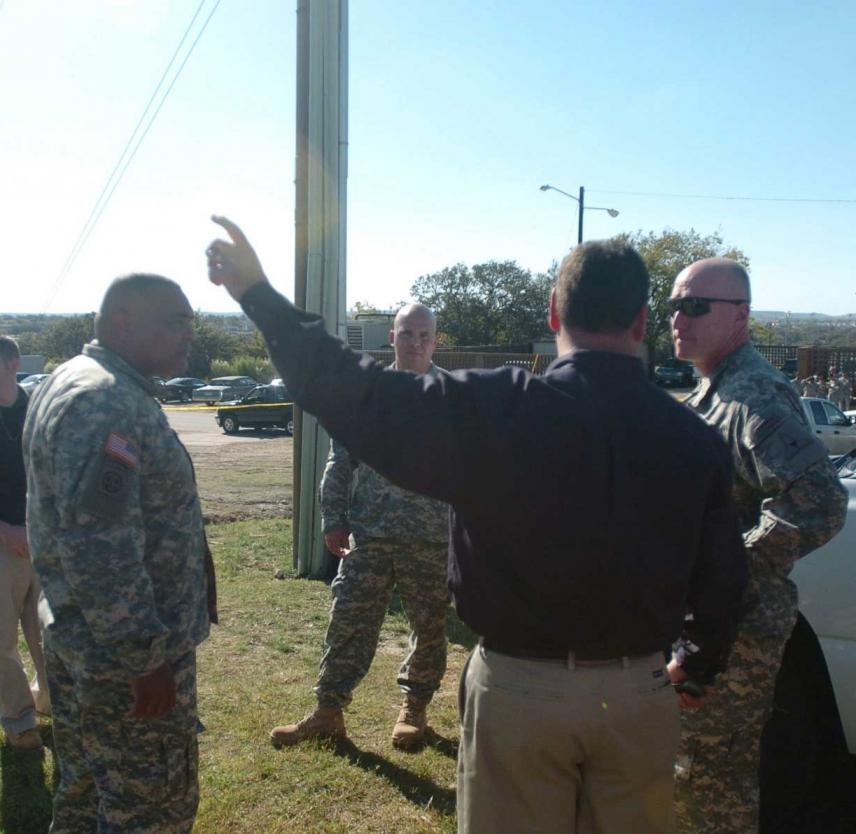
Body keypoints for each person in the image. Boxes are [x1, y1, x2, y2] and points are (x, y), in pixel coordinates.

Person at [206, 217, 748, 834]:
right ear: (643, 321)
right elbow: (724, 576)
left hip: (520, 692)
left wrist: (259, 295)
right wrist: (697, 663)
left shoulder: (496, 409)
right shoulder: (693, 438)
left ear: (552, 314)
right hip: (638, 693)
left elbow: (352, 391)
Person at [23, 275, 217, 834]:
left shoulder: (76, 380)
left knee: (85, 790)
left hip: (84, 639)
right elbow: (99, 546)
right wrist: (143, 658)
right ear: (123, 322)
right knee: (151, 805)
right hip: (120, 660)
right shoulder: (104, 400)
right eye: (175, 322)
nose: (189, 335)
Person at [668, 258, 847, 834]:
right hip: (713, 624)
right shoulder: (716, 389)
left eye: (695, 306)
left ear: (741, 315)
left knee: (707, 782)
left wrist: (730, 565)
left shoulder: (754, 396)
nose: (678, 317)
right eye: (674, 304)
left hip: (738, 628)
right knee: (696, 776)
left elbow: (819, 502)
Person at [270, 304, 450, 750]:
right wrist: (333, 518)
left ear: (436, 340)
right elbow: (340, 461)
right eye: (407, 334)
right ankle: (328, 711)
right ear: (391, 337)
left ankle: (415, 709)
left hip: (432, 538)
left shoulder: (453, 396)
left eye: (424, 335)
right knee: (348, 622)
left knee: (428, 627)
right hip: (368, 534)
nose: (415, 343)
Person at [0, 336, 50, 750]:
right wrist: (6, 529)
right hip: (3, 545)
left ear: (12, 364)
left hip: (44, 542)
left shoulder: (38, 408)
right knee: (2, 640)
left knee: (49, 632)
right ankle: (20, 722)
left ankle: (49, 699)